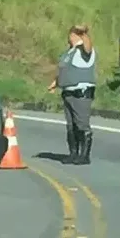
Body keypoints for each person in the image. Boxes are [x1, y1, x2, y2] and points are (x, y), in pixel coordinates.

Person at [47, 24, 96, 165]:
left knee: (82, 125)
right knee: (71, 126)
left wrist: (84, 33)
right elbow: (65, 70)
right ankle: (73, 153)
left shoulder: (83, 51)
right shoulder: (69, 53)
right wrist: (56, 83)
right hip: (67, 93)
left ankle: (84, 155)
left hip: (80, 93)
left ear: (74, 36)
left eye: (71, 35)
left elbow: (88, 47)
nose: (68, 38)